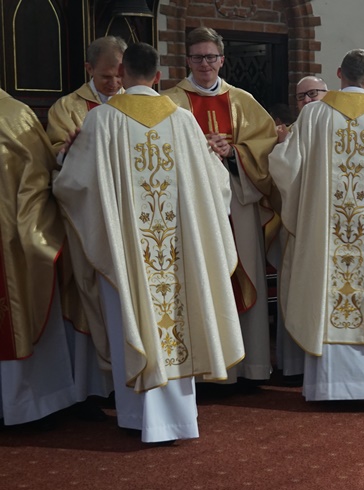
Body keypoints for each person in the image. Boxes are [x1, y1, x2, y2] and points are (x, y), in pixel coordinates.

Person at [53, 43, 244, 442]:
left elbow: (74, 186)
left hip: (126, 255)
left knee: (132, 317)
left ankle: (139, 417)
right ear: (158, 76)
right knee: (181, 315)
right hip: (179, 253)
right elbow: (215, 185)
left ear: (121, 73)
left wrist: (63, 164)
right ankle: (178, 419)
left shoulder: (102, 120)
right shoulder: (183, 120)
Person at [268, 49, 364, 408]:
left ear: (339, 73)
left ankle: (328, 388)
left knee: (328, 298)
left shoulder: (313, 115)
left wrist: (279, 154)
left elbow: (287, 170)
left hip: (326, 236)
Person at [162, 27, 278, 385]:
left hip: (238, 203)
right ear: (187, 60)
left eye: (211, 57)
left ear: (222, 60)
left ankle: (249, 367)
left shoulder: (242, 101)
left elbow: (267, 146)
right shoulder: (169, 103)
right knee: (202, 277)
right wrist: (198, 148)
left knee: (242, 271)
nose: (204, 64)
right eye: (197, 57)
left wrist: (234, 153)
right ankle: (202, 370)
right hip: (193, 207)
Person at [45, 36, 125, 414]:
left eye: (119, 75)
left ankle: (128, 378)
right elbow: (52, 161)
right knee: (88, 291)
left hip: (128, 222)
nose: (114, 84)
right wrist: (66, 150)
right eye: (107, 76)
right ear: (89, 70)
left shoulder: (137, 104)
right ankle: (95, 385)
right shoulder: (68, 107)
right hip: (87, 220)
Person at [0, 88, 81, 427]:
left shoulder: (14, 117)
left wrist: (33, 236)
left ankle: (25, 405)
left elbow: (36, 181)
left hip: (8, 240)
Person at [273, 75, 329, 385]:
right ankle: (296, 363)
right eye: (301, 97)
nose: (306, 101)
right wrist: (281, 149)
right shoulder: (293, 132)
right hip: (302, 229)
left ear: (327, 93)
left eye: (312, 94)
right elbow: (282, 176)